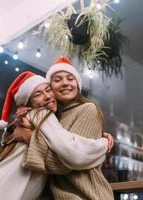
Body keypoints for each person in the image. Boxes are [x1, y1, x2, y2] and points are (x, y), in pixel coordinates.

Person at [0, 71, 113, 200]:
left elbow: (68, 152)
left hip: (87, 195)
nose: (47, 96)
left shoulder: (52, 115)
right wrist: (102, 145)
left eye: (47, 90)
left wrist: (30, 136)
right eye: (38, 94)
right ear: (29, 102)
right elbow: (71, 152)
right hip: (2, 189)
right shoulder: (42, 113)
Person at [21, 57, 114, 199]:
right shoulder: (51, 119)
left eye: (70, 79)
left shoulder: (88, 109)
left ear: (77, 84)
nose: (65, 83)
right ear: (50, 87)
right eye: (57, 80)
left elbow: (62, 165)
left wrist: (29, 137)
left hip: (87, 195)